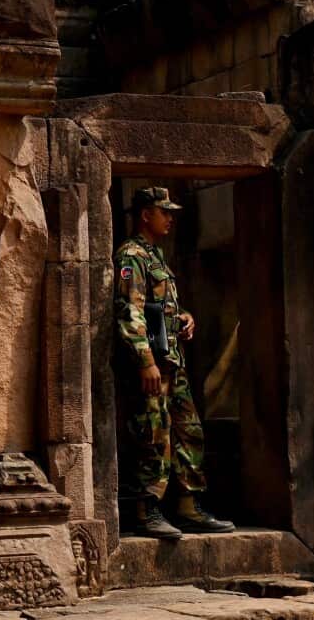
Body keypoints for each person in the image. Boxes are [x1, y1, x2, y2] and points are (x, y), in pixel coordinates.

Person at [113, 186, 235, 540]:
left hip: (172, 362)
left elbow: (157, 306)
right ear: (145, 215)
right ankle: (144, 509)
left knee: (187, 430)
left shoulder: (155, 256)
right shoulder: (131, 256)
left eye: (170, 212)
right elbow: (128, 311)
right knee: (152, 434)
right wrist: (145, 360)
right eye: (163, 211)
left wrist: (182, 317)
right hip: (152, 364)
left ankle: (188, 505)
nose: (169, 217)